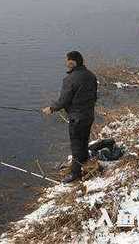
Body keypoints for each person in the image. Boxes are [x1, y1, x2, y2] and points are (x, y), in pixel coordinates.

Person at [42, 51, 98, 183]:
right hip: (89, 115)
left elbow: (64, 100)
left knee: (76, 145)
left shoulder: (70, 79)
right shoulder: (91, 75)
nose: (65, 63)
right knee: (84, 140)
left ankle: (75, 173)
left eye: (67, 60)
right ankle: (83, 161)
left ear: (72, 62)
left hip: (77, 118)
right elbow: (94, 97)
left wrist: (51, 109)